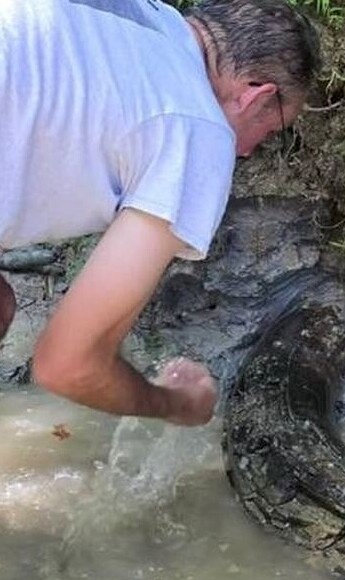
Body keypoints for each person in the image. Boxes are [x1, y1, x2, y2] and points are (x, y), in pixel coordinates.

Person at [0, 0, 320, 426]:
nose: (247, 151)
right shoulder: (199, 127)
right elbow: (68, 364)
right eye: (271, 129)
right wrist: (178, 404)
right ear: (255, 94)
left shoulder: (138, 21)